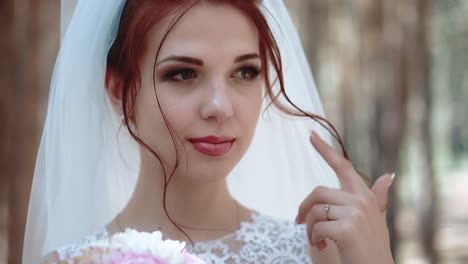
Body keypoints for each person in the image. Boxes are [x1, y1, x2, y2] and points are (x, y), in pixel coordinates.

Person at [23, 0, 395, 263]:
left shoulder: (318, 253)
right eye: (183, 74)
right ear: (119, 91)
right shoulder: (71, 263)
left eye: (244, 72)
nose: (220, 106)